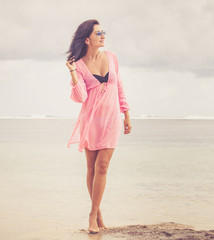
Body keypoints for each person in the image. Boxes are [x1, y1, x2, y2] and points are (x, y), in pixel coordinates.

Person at [65, 19, 132, 234]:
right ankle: (98, 211)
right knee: (92, 167)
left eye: (103, 32)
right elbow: (80, 97)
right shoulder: (80, 65)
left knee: (103, 167)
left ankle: (92, 214)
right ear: (87, 39)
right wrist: (73, 73)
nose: (103, 36)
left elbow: (119, 85)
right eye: (97, 33)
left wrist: (126, 114)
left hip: (111, 119)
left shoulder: (111, 57)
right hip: (91, 121)